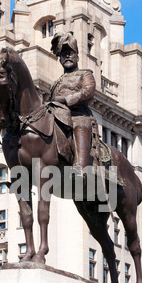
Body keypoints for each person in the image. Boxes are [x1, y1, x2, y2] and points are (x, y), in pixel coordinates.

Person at [50, 33, 96, 177]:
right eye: (64, 54)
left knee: (80, 125)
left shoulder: (85, 74)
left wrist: (67, 99)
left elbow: (88, 92)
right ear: (60, 59)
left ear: (77, 57)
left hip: (78, 114)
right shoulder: (55, 83)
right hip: (57, 116)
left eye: (71, 53)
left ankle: (80, 167)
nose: (68, 57)